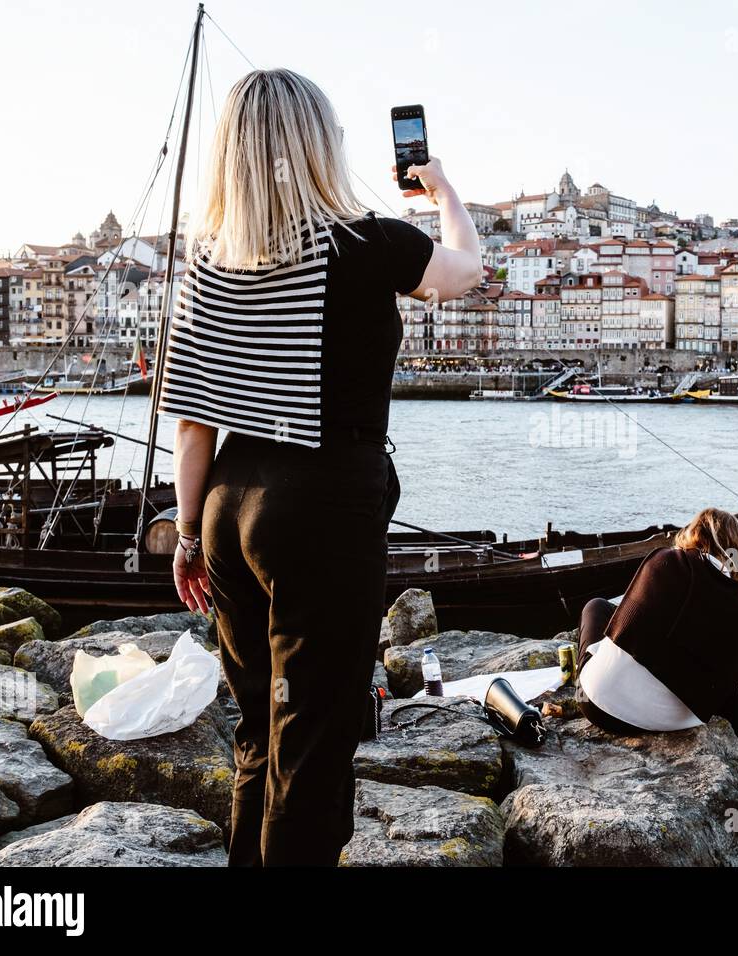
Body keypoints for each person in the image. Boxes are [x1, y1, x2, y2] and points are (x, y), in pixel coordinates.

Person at [158, 68, 482, 866]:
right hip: (321, 508)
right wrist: (442, 192)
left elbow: (192, 426)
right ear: (313, 148)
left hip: (231, 509)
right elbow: (466, 270)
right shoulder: (365, 241)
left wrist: (188, 538)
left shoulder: (210, 261)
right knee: (314, 744)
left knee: (258, 735)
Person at [575, 508, 738, 737]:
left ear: (693, 535)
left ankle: (584, 680)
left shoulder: (661, 561)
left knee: (596, 607)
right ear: (737, 554)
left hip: (593, 704)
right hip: (659, 722)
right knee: (731, 694)